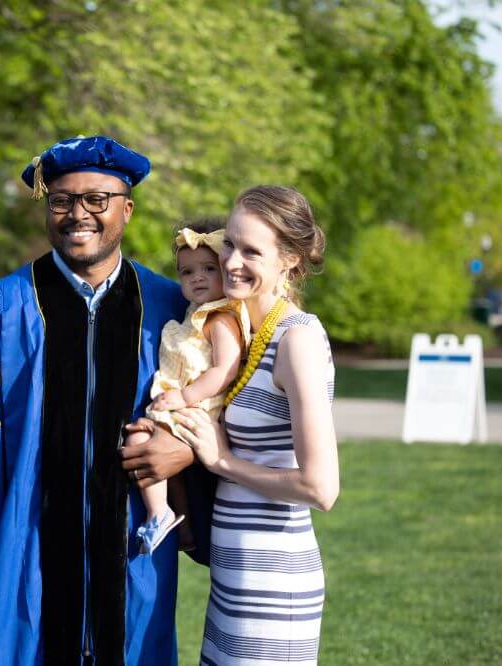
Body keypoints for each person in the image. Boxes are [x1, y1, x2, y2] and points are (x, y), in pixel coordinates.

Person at [0, 135, 214, 665]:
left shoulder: (172, 306)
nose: (80, 214)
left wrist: (189, 451)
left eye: (97, 200)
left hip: (134, 567)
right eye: (62, 200)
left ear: (127, 209)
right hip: (23, 569)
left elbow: (226, 407)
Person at [122, 185, 339, 665]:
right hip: (234, 580)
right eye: (231, 244)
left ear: (290, 260)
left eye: (252, 251)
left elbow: (321, 487)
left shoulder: (297, 340)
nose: (233, 261)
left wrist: (223, 461)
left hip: (273, 585)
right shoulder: (244, 331)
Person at [125, 219, 248, 555]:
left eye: (209, 268)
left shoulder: (221, 319)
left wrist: (184, 396)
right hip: (177, 406)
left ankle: (161, 515)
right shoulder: (192, 315)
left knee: (146, 447)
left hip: (198, 409)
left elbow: (225, 370)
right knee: (140, 442)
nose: (197, 277)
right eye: (187, 271)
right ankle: (173, 519)